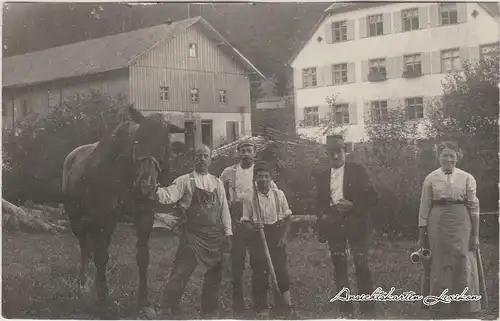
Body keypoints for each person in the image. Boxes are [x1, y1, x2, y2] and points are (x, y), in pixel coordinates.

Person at [156, 144, 232, 319]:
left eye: (205, 156)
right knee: (181, 271)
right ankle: (168, 308)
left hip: (214, 237)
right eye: (198, 156)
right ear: (193, 159)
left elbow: (224, 210)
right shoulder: (184, 180)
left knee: (214, 276)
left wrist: (228, 233)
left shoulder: (217, 182)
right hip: (192, 236)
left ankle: (209, 312)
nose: (202, 159)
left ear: (210, 159)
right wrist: (153, 189)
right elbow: (168, 195)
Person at [418, 141, 488, 318]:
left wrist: (475, 235)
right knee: (440, 261)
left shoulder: (467, 178)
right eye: (445, 155)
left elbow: (474, 207)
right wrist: (421, 235)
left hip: (461, 221)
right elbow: (424, 207)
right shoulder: (431, 178)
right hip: (438, 222)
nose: (448, 159)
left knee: (463, 259)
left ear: (458, 157)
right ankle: (442, 306)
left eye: (452, 156)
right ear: (438, 157)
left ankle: (464, 307)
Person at [313, 135, 378, 318]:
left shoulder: (358, 170)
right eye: (331, 153)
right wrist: (324, 215)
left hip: (356, 224)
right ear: (327, 154)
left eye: (338, 152)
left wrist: (354, 205)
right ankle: (346, 310)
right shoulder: (323, 175)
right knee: (339, 267)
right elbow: (317, 202)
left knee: (361, 265)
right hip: (334, 226)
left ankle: (368, 310)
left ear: (345, 151)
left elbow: (373, 197)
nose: (335, 156)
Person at [219, 141, 277, 317]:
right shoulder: (228, 172)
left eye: (249, 150)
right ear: (238, 153)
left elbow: (273, 193)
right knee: (237, 266)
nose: (245, 153)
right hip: (236, 223)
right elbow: (218, 192)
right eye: (242, 150)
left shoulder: (260, 172)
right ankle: (238, 306)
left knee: (259, 264)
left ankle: (260, 305)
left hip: (255, 223)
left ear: (254, 152)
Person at [240, 161, 298, 319]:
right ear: (255, 178)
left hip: (277, 235)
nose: (263, 180)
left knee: (281, 270)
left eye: (266, 176)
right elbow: (245, 222)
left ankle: (286, 306)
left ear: (271, 178)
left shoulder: (278, 195)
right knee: (260, 272)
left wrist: (284, 237)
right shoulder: (248, 196)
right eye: (260, 176)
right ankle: (262, 309)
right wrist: (255, 228)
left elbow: (288, 218)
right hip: (258, 237)